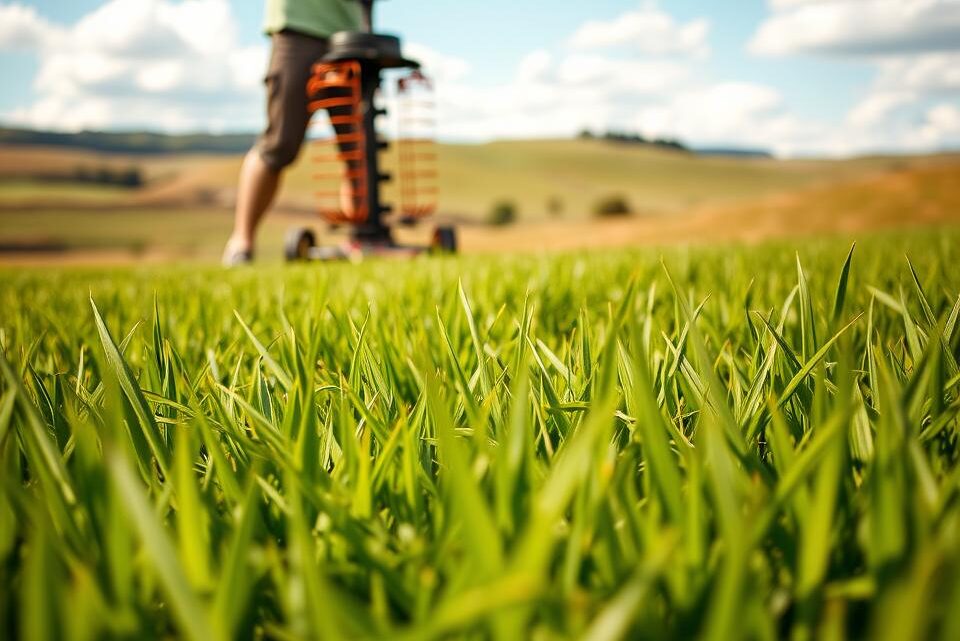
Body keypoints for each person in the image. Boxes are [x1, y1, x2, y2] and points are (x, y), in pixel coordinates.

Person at [222, 0, 363, 266]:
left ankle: (360, 240)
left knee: (358, 149)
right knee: (280, 143)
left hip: (350, 34)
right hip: (298, 25)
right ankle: (241, 243)